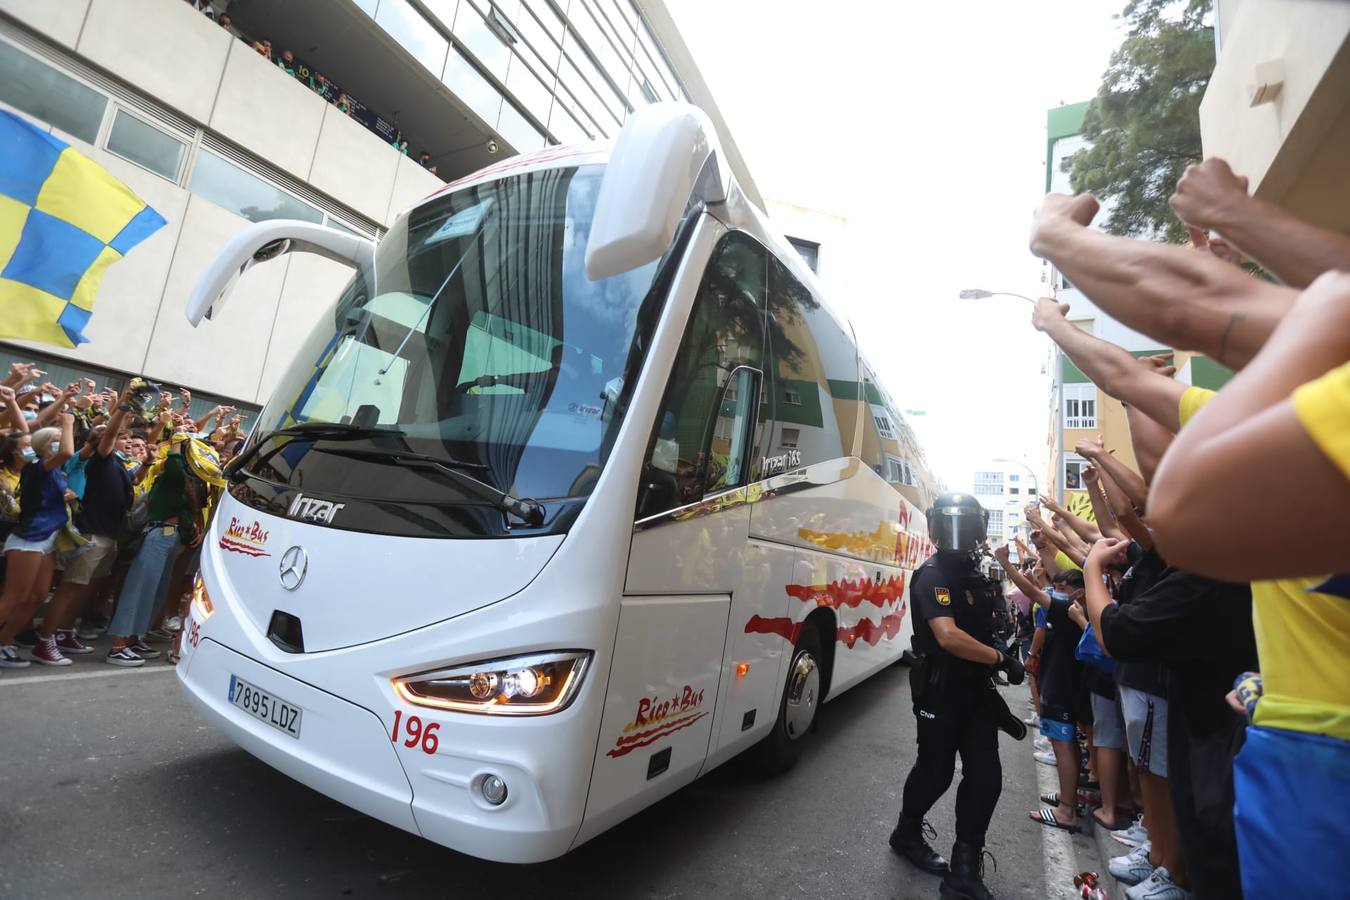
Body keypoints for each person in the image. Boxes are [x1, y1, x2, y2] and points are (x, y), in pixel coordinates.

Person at [890, 492, 1024, 900]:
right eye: (950, 524)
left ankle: (965, 868)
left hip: (977, 693)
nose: (957, 533)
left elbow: (994, 619)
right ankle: (907, 831)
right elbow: (947, 636)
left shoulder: (980, 575)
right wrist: (999, 658)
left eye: (964, 524)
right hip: (941, 690)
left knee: (987, 778)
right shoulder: (932, 574)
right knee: (936, 771)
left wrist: (1003, 643)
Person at [0, 416, 75, 667]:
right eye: (53, 440)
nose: (59, 443)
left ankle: (4, 642)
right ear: (44, 445)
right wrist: (67, 423)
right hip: (29, 538)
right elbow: (67, 452)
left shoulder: (52, 471)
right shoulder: (36, 466)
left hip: (48, 538)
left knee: (36, 597)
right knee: (14, 597)